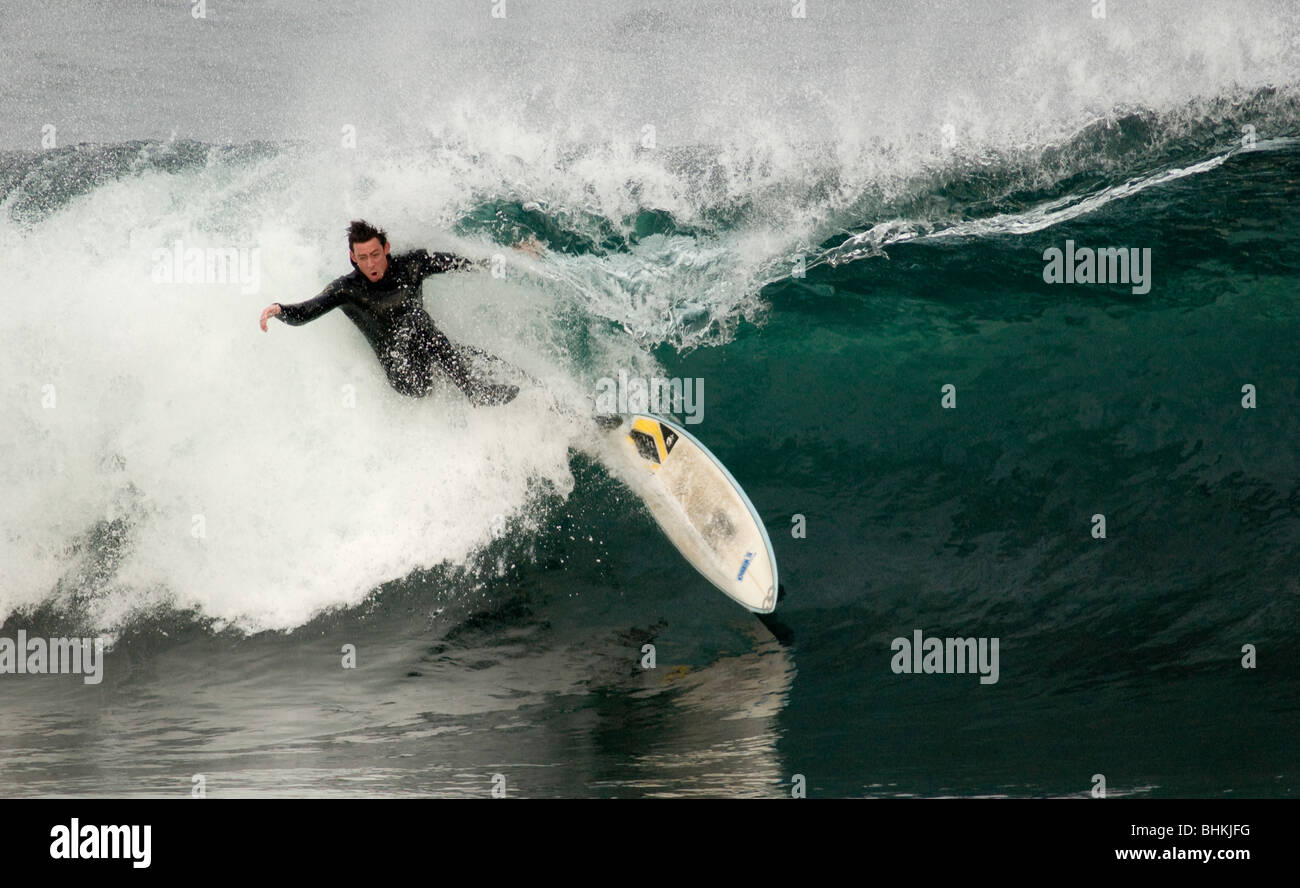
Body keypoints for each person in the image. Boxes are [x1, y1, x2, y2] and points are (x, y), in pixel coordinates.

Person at [259, 220, 542, 405]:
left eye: (375, 254)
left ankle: (537, 393)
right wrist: (280, 310)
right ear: (352, 258)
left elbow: (463, 263)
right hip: (405, 376)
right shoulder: (346, 290)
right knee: (415, 319)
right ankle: (474, 392)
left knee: (479, 356)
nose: (370, 264)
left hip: (430, 355)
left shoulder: (412, 265)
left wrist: (512, 254)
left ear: (386, 249)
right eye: (362, 258)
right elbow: (307, 311)